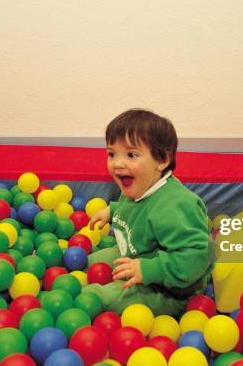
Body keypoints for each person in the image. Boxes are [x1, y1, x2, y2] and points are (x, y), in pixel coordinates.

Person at [81, 109, 214, 316]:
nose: (117, 163)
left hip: (167, 290)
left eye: (131, 154)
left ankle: (77, 298)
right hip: (133, 254)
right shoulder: (138, 184)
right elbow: (135, 207)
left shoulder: (176, 205)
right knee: (82, 262)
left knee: (93, 298)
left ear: (162, 160)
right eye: (111, 154)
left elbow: (199, 255)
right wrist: (112, 210)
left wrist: (148, 269)